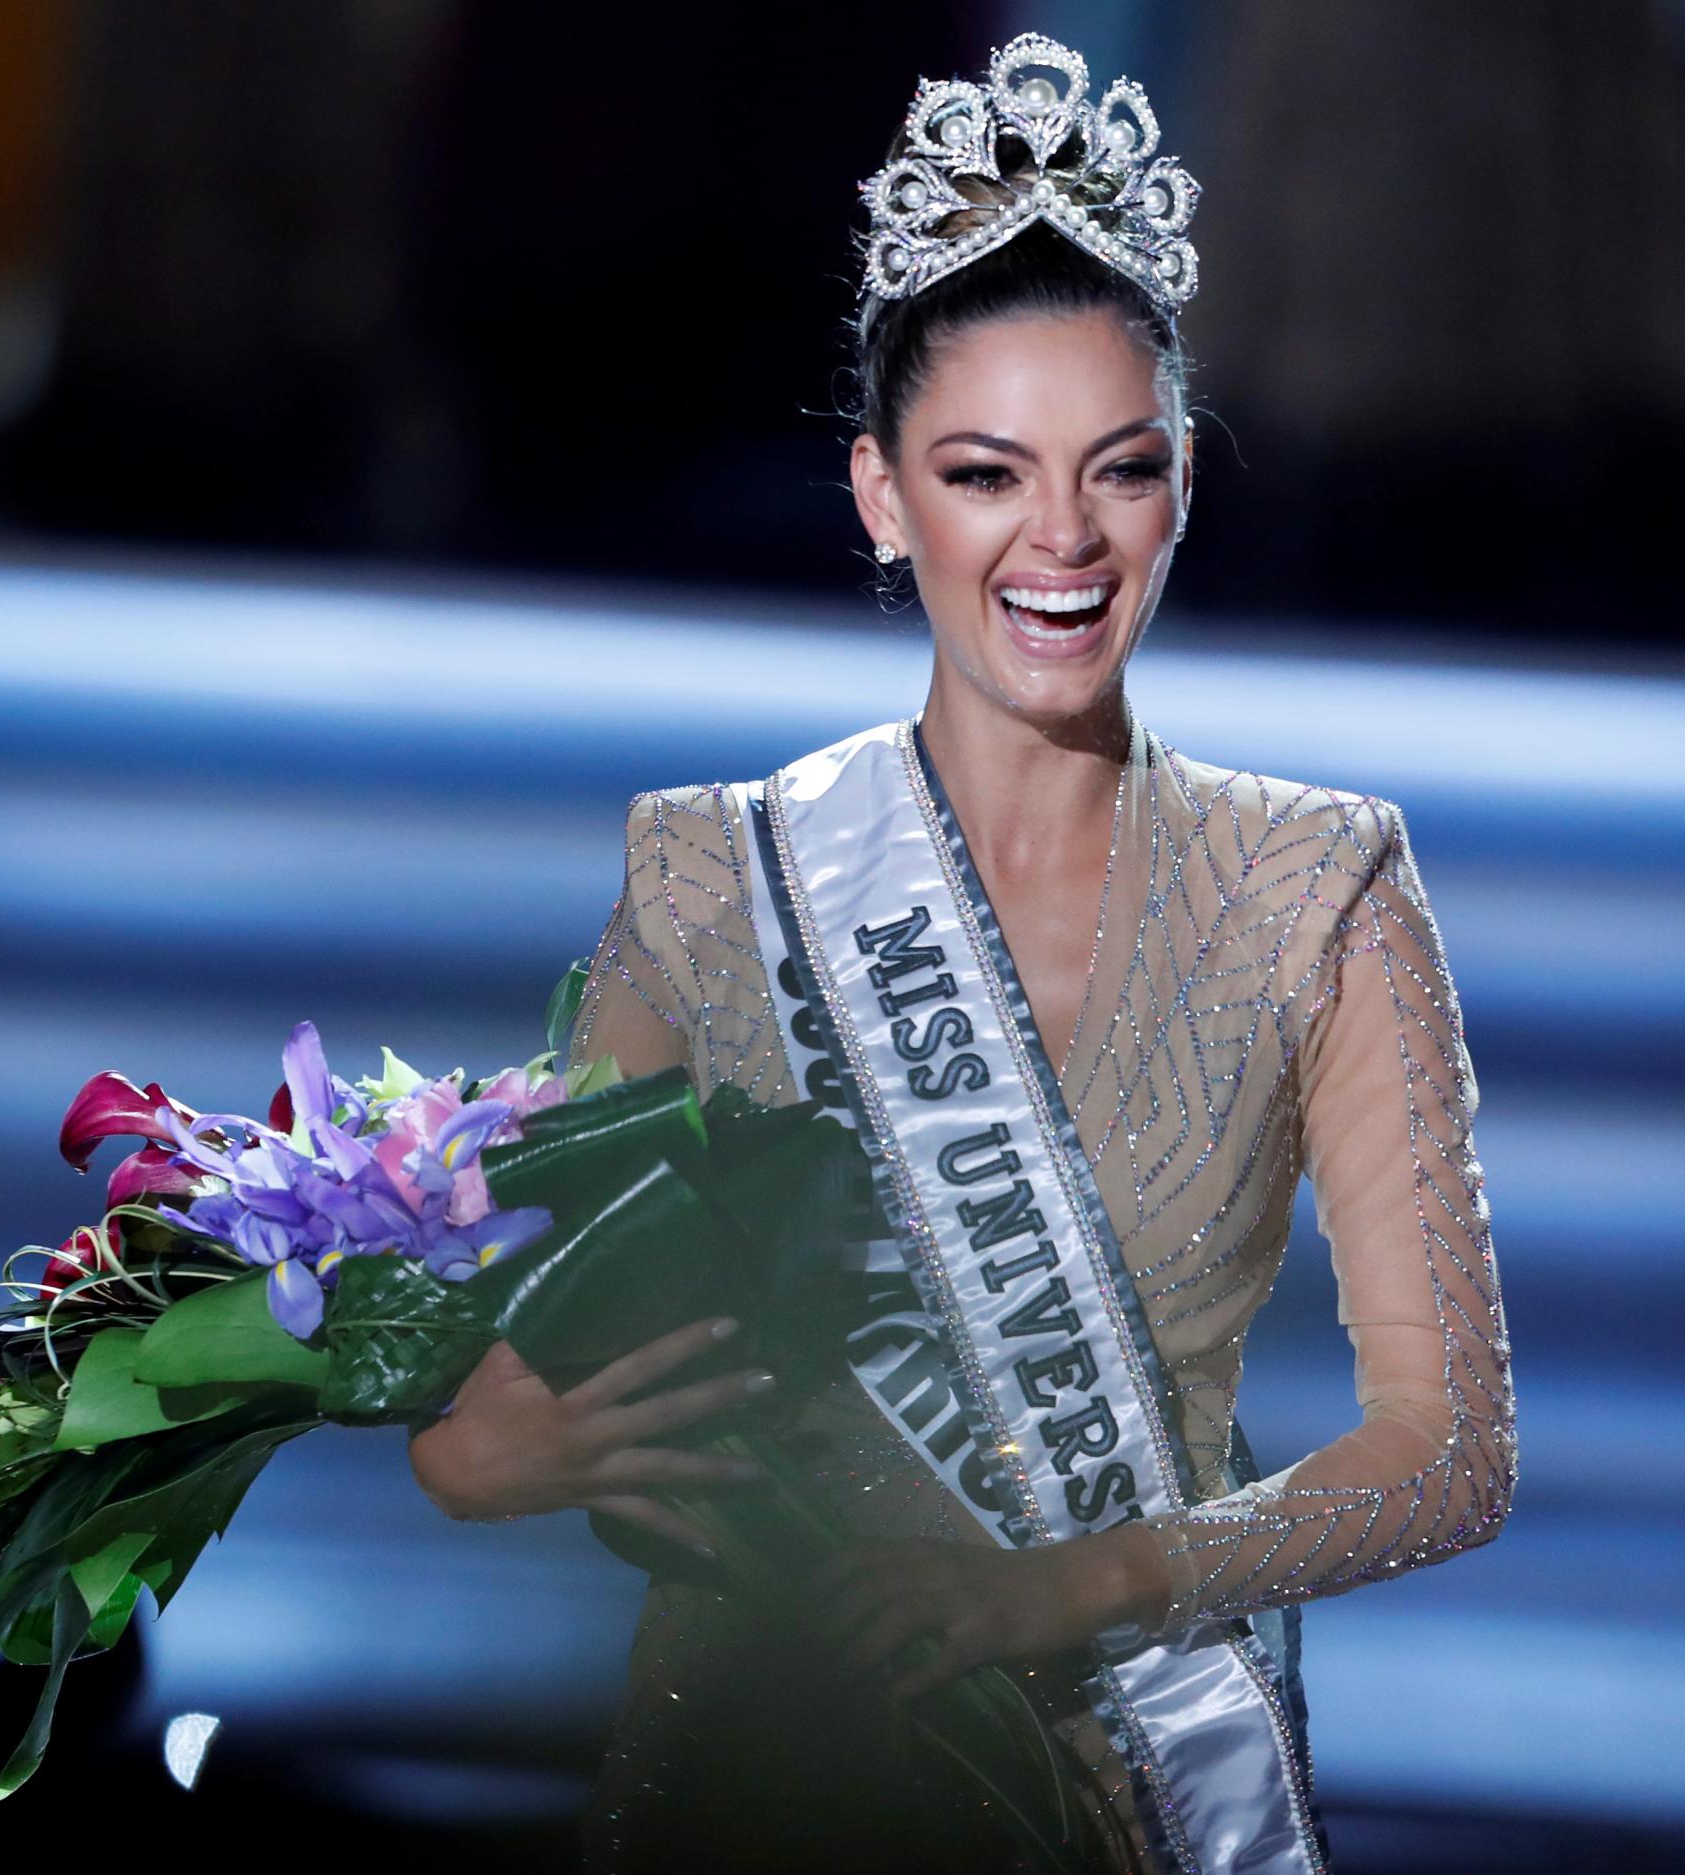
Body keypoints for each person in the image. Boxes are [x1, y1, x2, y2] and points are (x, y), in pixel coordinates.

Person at [406, 34, 1518, 1873]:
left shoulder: (1325, 890)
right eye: (987, 474)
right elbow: (524, 1362)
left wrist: (1059, 1588)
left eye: (1123, 469)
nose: (1062, 540)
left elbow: (1451, 1449)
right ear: (878, 494)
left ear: (1182, 486)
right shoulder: (714, 876)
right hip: (753, 1762)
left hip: (1130, 1780)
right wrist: (472, 1462)